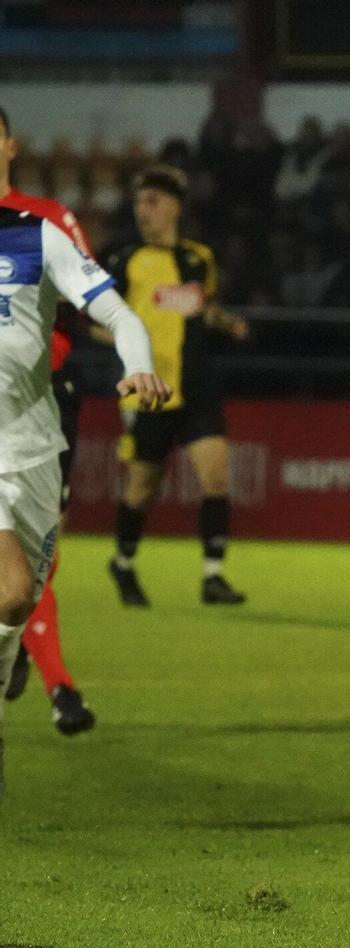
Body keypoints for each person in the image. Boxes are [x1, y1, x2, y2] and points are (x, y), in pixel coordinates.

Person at [0, 123, 168, 795]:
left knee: (16, 598)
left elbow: (122, 317)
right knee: (9, 586)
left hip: (29, 443)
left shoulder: (40, 235)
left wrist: (142, 366)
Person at [99, 165, 251, 609]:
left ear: (174, 209)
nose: (143, 211)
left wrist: (227, 322)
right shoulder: (125, 260)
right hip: (149, 389)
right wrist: (130, 339)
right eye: (139, 202)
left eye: (152, 202)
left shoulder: (197, 258)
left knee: (216, 476)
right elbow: (97, 321)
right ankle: (123, 563)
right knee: (143, 487)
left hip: (197, 382)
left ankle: (213, 576)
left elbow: (203, 307)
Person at [0, 107, 100, 733]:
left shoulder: (48, 220)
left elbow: (82, 306)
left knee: (37, 562)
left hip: (42, 402)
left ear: (11, 143)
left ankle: (21, 649)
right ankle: (59, 686)